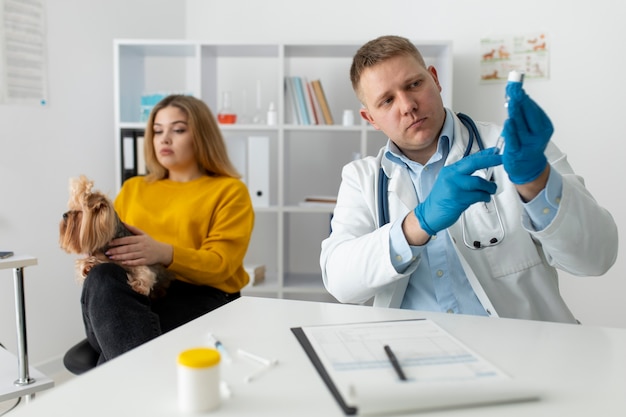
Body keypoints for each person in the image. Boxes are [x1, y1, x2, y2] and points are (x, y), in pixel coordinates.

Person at [320, 35, 618, 323]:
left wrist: (536, 182)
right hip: (416, 355)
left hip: (525, 351)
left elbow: (597, 258)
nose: (407, 105)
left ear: (435, 79)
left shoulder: (514, 147)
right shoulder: (362, 178)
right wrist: (418, 224)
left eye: (414, 84)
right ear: (370, 118)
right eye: (386, 101)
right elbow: (340, 282)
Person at [82, 94, 254, 364]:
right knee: (103, 277)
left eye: (178, 129)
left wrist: (162, 253)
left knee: (118, 347)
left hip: (200, 295)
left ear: (202, 136)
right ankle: (133, 374)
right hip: (132, 294)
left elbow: (223, 264)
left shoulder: (229, 191)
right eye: (157, 130)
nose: (164, 138)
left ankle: (118, 374)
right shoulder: (133, 188)